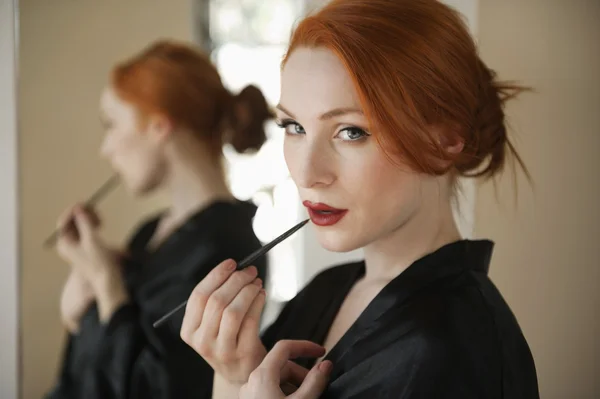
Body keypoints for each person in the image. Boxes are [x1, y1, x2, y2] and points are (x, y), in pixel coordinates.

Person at [180, 0, 540, 398]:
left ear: (444, 142)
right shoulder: (326, 290)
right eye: (294, 126)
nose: (307, 173)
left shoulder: (454, 347)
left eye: (351, 132)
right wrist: (235, 373)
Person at [45, 39, 271, 399]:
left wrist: (106, 284)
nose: (106, 149)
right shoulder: (149, 233)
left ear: (158, 126)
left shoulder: (231, 252)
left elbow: (156, 388)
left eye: (111, 124)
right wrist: (80, 304)